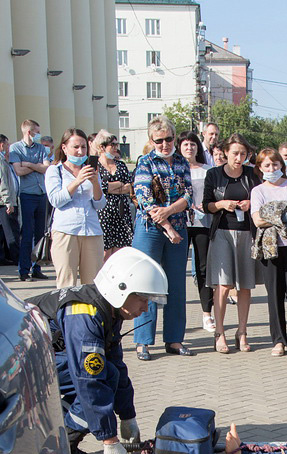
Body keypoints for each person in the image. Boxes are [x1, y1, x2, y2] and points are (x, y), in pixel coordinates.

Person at [27, 247, 166, 454]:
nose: (145, 308)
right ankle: (64, 449)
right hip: (19, 365)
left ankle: (55, 436)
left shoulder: (109, 309)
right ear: (121, 290)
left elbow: (117, 366)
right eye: (142, 299)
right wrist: (110, 441)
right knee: (101, 378)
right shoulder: (85, 313)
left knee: (109, 372)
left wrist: (127, 415)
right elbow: (88, 380)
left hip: (35, 362)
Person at [130, 116, 195, 359]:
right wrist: (167, 226)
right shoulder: (145, 163)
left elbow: (188, 195)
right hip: (151, 230)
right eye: (159, 141)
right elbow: (145, 200)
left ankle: (174, 339)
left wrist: (169, 212)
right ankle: (143, 341)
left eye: (169, 139)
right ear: (151, 141)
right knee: (145, 284)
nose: (165, 144)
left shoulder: (181, 162)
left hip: (178, 227)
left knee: (176, 286)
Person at [204, 133, 258, 354]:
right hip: (222, 232)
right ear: (225, 152)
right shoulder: (214, 174)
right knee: (223, 285)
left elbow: (263, 197)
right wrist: (221, 204)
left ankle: (242, 332)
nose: (239, 158)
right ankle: (220, 333)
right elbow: (206, 204)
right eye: (235, 153)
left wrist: (250, 203)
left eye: (243, 154)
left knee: (245, 285)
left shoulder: (251, 174)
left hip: (246, 233)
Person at [250, 147, 287, 357]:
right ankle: (278, 340)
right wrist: (284, 215)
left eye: (275, 164)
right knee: (274, 293)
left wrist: (274, 213)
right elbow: (258, 220)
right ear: (260, 167)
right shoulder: (258, 191)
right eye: (267, 165)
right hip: (270, 247)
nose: (272, 168)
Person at [45, 128, 106, 288]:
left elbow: (99, 204)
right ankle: (66, 313)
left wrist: (94, 183)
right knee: (67, 283)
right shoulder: (55, 170)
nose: (80, 152)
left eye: (83, 147)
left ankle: (91, 313)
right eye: (75, 147)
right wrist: (77, 181)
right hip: (66, 231)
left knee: (93, 284)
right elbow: (56, 200)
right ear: (64, 148)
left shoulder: (91, 171)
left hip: (91, 231)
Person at [177, 131, 215, 333]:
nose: (189, 148)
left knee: (203, 269)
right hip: (179, 223)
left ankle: (207, 313)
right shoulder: (173, 169)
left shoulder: (208, 170)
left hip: (202, 223)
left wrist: (205, 205)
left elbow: (213, 195)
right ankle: (177, 315)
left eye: (192, 144)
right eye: (185, 144)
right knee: (177, 269)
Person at [9, 120, 51, 281]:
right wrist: (37, 165)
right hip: (27, 195)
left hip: (42, 193)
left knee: (40, 234)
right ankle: (24, 270)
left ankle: (37, 268)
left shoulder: (40, 148)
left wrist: (29, 164)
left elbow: (47, 168)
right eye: (37, 132)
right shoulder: (16, 148)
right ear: (29, 132)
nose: (39, 135)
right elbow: (18, 171)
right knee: (27, 233)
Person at [91, 130, 134, 261]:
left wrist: (112, 187)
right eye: (112, 145)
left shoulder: (121, 165)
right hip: (104, 211)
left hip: (121, 210)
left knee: (120, 251)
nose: (116, 148)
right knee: (104, 251)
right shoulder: (95, 165)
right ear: (101, 147)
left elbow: (129, 187)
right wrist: (116, 186)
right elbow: (99, 187)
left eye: (116, 144)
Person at [0, 134, 20, 266]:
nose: (8, 148)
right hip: (3, 201)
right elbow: (2, 181)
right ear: (2, 145)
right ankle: (17, 258)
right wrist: (8, 201)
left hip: (0, 200)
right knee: (11, 231)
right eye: (7, 145)